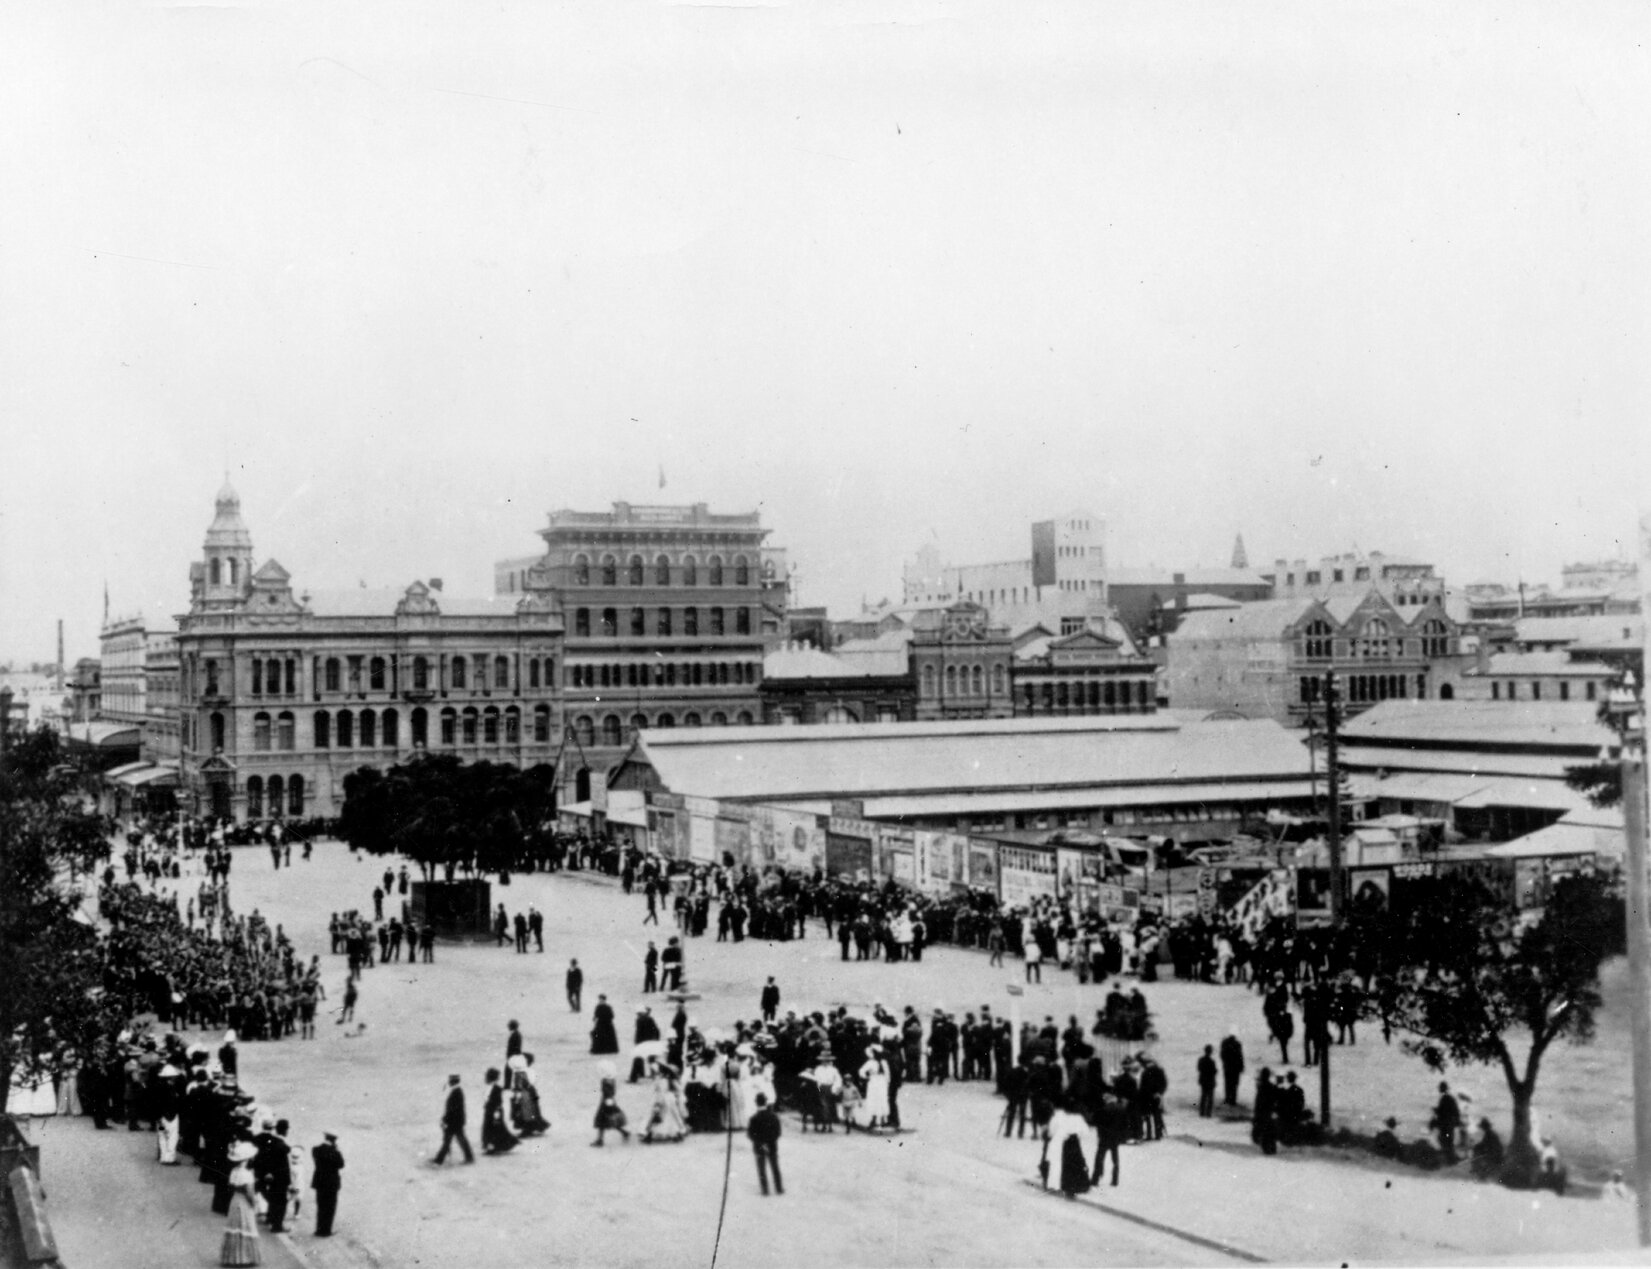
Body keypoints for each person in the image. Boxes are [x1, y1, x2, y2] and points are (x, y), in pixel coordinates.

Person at [220, 1140, 261, 1266]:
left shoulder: (234, 1171)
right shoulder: (247, 1174)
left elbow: (231, 1186)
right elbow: (249, 1192)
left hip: (235, 1200)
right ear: (247, 1159)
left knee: (235, 1226)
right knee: (246, 1225)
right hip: (243, 1202)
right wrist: (254, 1203)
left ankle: (233, 1257)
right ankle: (245, 1257)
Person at [433, 1074, 475, 1165]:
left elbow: (452, 1109)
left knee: (448, 1140)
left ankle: (439, 1159)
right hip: (457, 1121)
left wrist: (445, 1119)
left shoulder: (456, 1092)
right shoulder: (458, 1091)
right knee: (457, 1139)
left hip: (454, 1121)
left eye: (450, 1081)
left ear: (452, 1082)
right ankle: (469, 1157)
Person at [747, 1092, 783, 1196]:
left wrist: (761, 1143)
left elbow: (750, 1134)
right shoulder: (773, 1116)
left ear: (756, 1103)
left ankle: (765, 1189)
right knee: (775, 1167)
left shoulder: (754, 1118)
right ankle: (779, 1188)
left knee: (761, 1168)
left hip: (759, 1146)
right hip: (772, 1145)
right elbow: (778, 1132)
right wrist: (770, 1141)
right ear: (766, 1102)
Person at [310, 1132, 344, 1238]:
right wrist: (336, 1150)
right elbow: (341, 1164)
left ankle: (319, 1229)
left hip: (320, 1181)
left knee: (321, 1206)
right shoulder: (335, 1152)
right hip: (331, 1183)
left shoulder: (316, 1149)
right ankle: (326, 1230)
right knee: (329, 1208)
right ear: (333, 1140)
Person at [481, 1068, 519, 1154]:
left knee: (495, 1129)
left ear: (490, 1078)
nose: (485, 1079)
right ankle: (494, 1146)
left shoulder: (497, 1088)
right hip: (489, 1111)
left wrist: (496, 1113)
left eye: (486, 1077)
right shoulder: (491, 1087)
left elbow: (498, 1102)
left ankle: (494, 1146)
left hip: (495, 1111)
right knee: (492, 1128)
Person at [592, 1074, 631, 1146]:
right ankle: (624, 1132)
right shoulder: (612, 1080)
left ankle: (600, 1140)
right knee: (610, 1120)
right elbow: (612, 1092)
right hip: (609, 1102)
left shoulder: (605, 1081)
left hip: (606, 1103)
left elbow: (607, 1093)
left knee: (603, 1120)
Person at [859, 1045, 891, 1130]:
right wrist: (867, 1077)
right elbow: (861, 1071)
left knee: (879, 1099)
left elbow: (861, 1072)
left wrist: (866, 1077)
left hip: (878, 1081)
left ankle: (881, 1119)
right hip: (877, 1081)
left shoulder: (877, 1062)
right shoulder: (878, 1062)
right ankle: (876, 1119)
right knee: (876, 1099)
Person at [1431, 1082, 1462, 1165]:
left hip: (1446, 1125)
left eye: (1440, 1088)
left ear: (1442, 1089)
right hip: (1449, 1124)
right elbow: (1453, 1112)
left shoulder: (1445, 1099)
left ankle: (1451, 1160)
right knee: (1447, 1141)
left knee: (1445, 1141)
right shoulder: (1449, 1098)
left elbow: (1443, 1112)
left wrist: (1436, 1111)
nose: (1439, 1089)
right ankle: (1451, 1159)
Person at [1219, 1031, 1245, 1107]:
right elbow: (1240, 1056)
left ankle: (1228, 1098)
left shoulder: (1225, 1044)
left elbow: (1222, 1055)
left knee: (1228, 1083)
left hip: (1227, 1067)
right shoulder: (1237, 1044)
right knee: (1234, 1084)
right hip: (1235, 1068)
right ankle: (1233, 1099)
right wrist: (1241, 1066)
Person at [1196, 1045, 1218, 1118]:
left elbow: (1199, 1068)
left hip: (1203, 1081)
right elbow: (1214, 1071)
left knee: (1203, 1097)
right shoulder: (1212, 1061)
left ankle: (1202, 1112)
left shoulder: (1201, 1060)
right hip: (1210, 1081)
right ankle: (1208, 1113)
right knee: (1210, 1098)